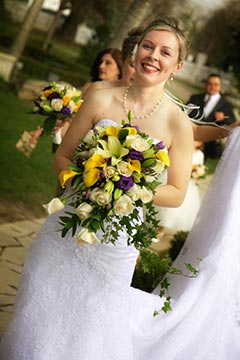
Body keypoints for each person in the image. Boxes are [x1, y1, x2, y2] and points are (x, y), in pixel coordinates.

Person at [0, 16, 239, 360]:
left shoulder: (177, 123)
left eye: (165, 52)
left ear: (177, 65)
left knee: (91, 320)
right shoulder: (100, 100)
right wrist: (91, 176)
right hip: (67, 227)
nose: (153, 55)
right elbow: (62, 157)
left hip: (116, 241)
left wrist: (127, 188)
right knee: (40, 305)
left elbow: (176, 193)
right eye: (148, 46)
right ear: (136, 51)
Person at [187, 73, 237, 158]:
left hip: (208, 145)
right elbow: (183, 113)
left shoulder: (226, 105)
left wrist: (224, 117)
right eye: (210, 84)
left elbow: (233, 122)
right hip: (189, 138)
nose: (212, 87)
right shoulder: (195, 98)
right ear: (206, 84)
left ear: (220, 87)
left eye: (215, 84)